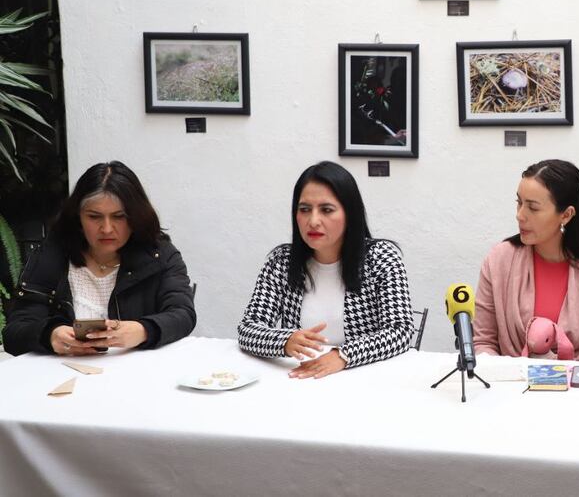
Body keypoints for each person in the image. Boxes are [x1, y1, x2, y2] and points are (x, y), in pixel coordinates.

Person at [237, 161, 414, 378]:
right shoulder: (281, 261)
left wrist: (343, 355)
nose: (313, 221)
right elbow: (248, 328)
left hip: (365, 378)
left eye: (326, 210)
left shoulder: (381, 258)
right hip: (299, 377)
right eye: (304, 209)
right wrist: (284, 341)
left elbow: (400, 331)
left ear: (350, 214)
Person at [2, 161, 196, 356]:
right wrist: (50, 335)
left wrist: (143, 330)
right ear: (78, 217)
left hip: (139, 375)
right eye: (94, 217)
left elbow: (183, 314)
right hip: (64, 377)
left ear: (136, 217)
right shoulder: (53, 254)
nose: (107, 229)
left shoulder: (159, 254)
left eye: (119, 217)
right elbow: (15, 332)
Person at [473, 159, 579, 362]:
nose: (520, 215)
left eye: (533, 208)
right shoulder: (499, 261)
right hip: (507, 388)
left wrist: (559, 383)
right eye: (519, 203)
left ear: (566, 214)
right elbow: (483, 342)